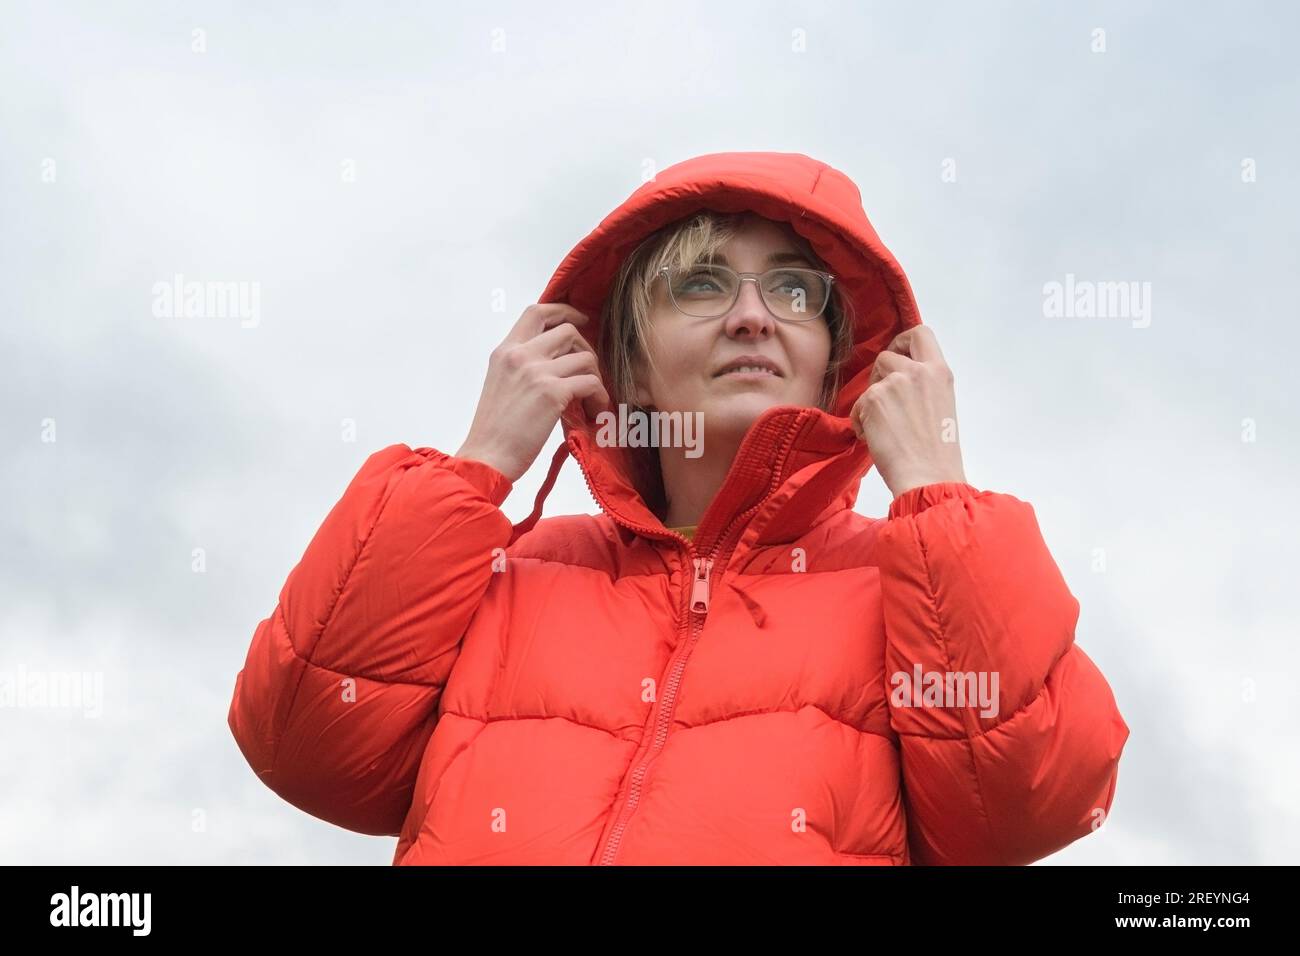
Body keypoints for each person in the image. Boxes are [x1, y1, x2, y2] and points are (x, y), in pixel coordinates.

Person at [227, 151, 1130, 865]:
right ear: (624, 359)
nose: (750, 316)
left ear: (838, 360)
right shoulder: (500, 568)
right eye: (699, 283)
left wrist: (938, 492)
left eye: (792, 288)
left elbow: (1024, 807)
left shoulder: (908, 589)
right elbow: (306, 747)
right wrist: (479, 464)